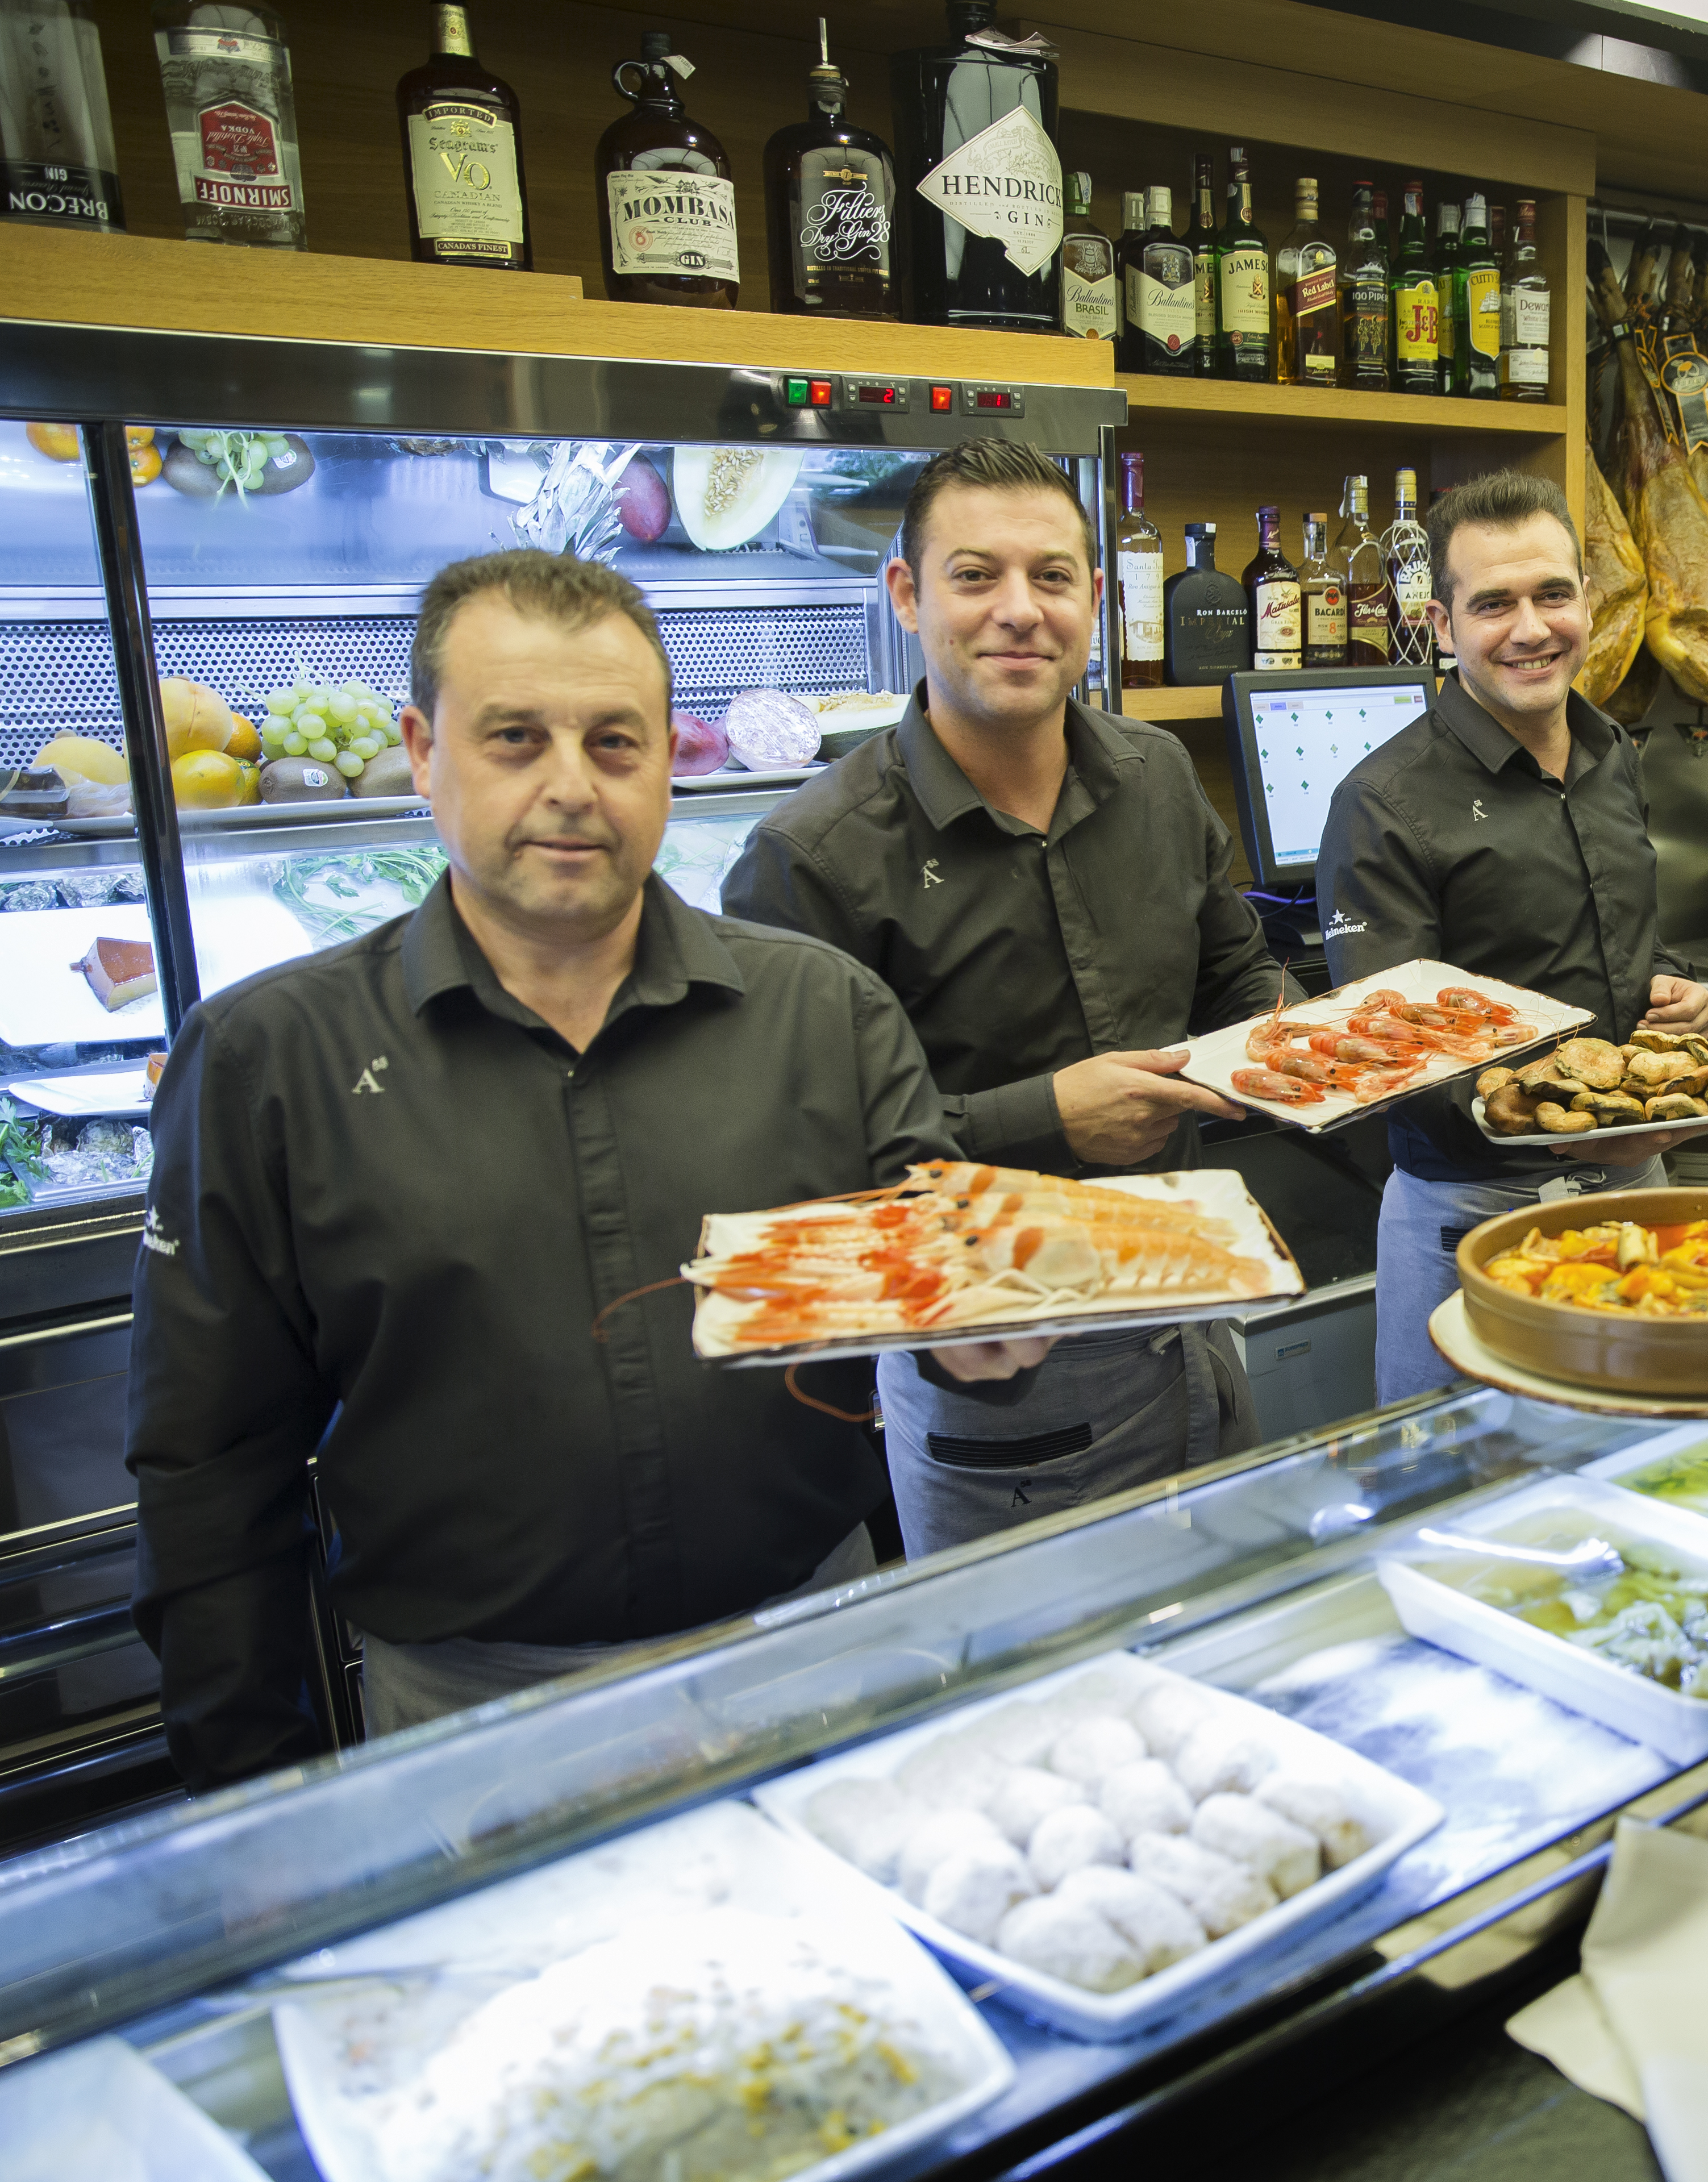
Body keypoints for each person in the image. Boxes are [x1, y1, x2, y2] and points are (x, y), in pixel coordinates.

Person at [127, 551, 1045, 1790]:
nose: (571, 788)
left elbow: (941, 1268)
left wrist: (980, 1335)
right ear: (422, 750)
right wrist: (250, 1791)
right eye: (514, 739)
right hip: (472, 1717)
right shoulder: (265, 1059)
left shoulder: (823, 1008)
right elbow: (209, 1468)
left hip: (816, 1659)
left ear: (667, 757)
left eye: (614, 744)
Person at [724, 439, 1290, 1558]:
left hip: (1192, 1305)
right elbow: (791, 1182)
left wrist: (1291, 1029)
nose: (1020, 610)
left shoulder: (1157, 774)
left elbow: (1234, 969)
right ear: (907, 595)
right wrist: (1046, 1119)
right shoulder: (813, 859)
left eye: (1053, 576)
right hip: (995, 1370)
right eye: (976, 576)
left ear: (1094, 595)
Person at [1315, 469, 1708, 1402]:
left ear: (1586, 602)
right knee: (1460, 1504)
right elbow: (1389, 1058)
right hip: (1475, 1215)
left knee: (1640, 1471)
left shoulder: (1613, 752)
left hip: (1634, 1189)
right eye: (1494, 603)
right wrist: (1578, 1140)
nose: (1531, 628)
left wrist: (1668, 991)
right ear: (1445, 626)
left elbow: (1600, 942)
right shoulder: (1383, 802)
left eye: (1552, 595)